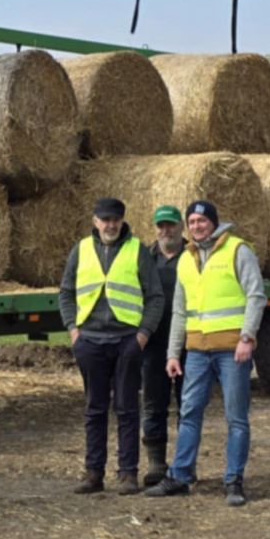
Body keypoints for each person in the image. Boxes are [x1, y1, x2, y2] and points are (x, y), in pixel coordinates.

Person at [145, 200, 267, 506]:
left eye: (202, 220)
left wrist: (247, 337)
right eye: (193, 221)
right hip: (197, 351)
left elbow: (256, 295)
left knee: (236, 417)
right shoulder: (187, 258)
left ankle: (233, 481)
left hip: (232, 351)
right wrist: (174, 354)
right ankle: (180, 476)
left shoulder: (238, 251)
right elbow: (179, 311)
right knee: (189, 414)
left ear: (214, 222)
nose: (197, 226)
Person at [58, 197, 164, 496]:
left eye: (115, 219)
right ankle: (94, 473)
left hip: (126, 341)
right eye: (105, 219)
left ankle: (128, 474)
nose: (110, 225)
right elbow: (65, 293)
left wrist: (142, 335)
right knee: (94, 409)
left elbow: (155, 296)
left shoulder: (137, 250)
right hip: (90, 341)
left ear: (122, 220)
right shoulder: (80, 250)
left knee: (127, 409)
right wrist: (73, 331)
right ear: (95, 222)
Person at [140, 205, 186, 487]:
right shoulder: (144, 257)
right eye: (161, 226)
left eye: (170, 225)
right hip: (154, 342)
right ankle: (156, 463)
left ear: (181, 227)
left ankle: (183, 461)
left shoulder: (195, 256)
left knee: (188, 405)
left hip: (188, 342)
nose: (165, 230)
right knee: (153, 403)